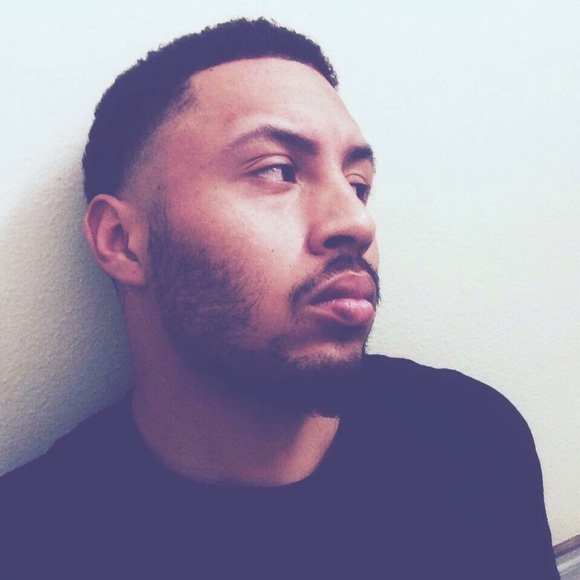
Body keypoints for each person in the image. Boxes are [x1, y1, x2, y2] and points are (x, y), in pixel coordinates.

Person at [0, 18, 559, 580]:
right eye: (277, 171)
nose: (356, 221)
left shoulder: (471, 444)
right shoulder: (28, 544)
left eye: (358, 185)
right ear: (122, 240)